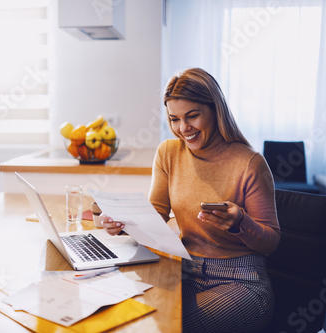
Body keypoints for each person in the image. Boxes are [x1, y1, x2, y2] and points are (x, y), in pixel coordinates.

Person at [101, 68, 281, 332]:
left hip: (242, 281)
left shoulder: (250, 163)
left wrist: (240, 222)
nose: (183, 129)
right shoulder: (168, 153)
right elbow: (156, 215)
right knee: (123, 312)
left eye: (192, 116)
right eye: (174, 119)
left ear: (215, 110)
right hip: (184, 270)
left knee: (166, 325)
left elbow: (271, 242)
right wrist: (123, 222)